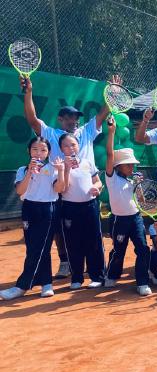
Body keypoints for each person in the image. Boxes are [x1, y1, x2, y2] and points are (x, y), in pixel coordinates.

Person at [21, 75, 112, 278]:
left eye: (75, 117)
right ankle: (65, 261)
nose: (74, 120)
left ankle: (95, 268)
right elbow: (31, 119)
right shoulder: (50, 133)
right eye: (69, 117)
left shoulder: (86, 131)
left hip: (87, 192)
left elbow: (102, 114)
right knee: (60, 230)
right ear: (60, 119)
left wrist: (112, 91)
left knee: (91, 231)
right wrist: (28, 94)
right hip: (60, 189)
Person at [0, 138, 66, 300]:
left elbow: (59, 189)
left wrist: (62, 171)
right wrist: (29, 172)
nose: (39, 153)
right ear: (28, 151)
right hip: (29, 208)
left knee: (41, 246)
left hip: (48, 209)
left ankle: (22, 286)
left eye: (43, 150)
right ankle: (46, 283)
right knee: (33, 247)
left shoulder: (53, 168)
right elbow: (20, 191)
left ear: (48, 153)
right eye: (35, 149)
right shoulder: (22, 170)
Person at [102, 117, 151, 296]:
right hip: (119, 220)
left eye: (132, 164)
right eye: (128, 164)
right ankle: (112, 275)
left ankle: (143, 281)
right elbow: (109, 154)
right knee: (119, 250)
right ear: (118, 166)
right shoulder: (111, 178)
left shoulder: (133, 181)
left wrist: (138, 185)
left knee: (143, 249)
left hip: (135, 218)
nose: (132, 167)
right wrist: (112, 132)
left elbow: (141, 199)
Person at [59, 133, 105, 289]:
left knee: (94, 242)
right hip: (69, 208)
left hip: (90, 206)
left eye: (73, 144)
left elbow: (98, 182)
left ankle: (97, 276)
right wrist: (65, 169)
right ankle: (76, 278)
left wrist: (96, 188)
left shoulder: (87, 163)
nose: (70, 148)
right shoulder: (58, 165)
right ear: (61, 149)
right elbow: (62, 189)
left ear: (78, 146)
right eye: (66, 145)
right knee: (73, 243)